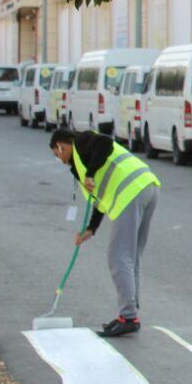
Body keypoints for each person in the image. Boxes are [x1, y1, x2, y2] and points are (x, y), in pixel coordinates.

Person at [49, 129, 161, 337]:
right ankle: (130, 312)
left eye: (58, 155)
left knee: (118, 258)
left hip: (131, 192)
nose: (61, 160)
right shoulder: (80, 165)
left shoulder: (81, 142)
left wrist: (90, 173)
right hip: (148, 186)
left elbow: (105, 143)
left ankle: (128, 317)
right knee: (131, 256)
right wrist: (91, 229)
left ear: (61, 146)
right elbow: (99, 198)